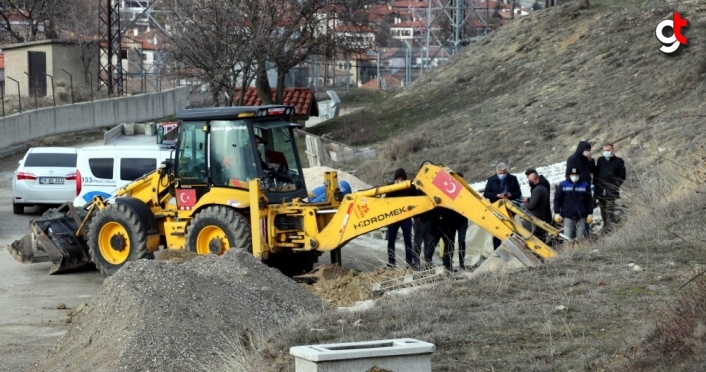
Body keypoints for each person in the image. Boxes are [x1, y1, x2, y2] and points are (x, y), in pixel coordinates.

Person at [483, 162, 522, 249]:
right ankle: (497, 250)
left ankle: (512, 249)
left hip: (509, 208)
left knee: (510, 229)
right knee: (498, 230)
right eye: (501, 173)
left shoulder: (513, 179)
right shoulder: (491, 180)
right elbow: (486, 194)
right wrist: (496, 195)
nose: (503, 175)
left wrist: (511, 195)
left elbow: (519, 193)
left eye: (504, 173)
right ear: (497, 172)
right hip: (496, 208)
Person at [385, 168, 415, 269]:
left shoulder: (409, 187)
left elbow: (415, 198)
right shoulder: (390, 187)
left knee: (408, 241)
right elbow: (386, 201)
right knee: (391, 241)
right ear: (395, 178)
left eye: (402, 178)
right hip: (394, 218)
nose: (400, 180)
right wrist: (395, 187)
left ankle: (409, 263)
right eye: (398, 178)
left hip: (406, 217)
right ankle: (391, 262)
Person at [594, 142, 626, 232]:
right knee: (603, 210)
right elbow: (596, 174)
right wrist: (596, 185)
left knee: (609, 210)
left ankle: (610, 228)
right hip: (600, 190)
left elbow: (622, 176)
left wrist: (615, 186)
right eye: (604, 150)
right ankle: (606, 227)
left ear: (612, 150)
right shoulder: (600, 160)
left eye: (608, 150)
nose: (606, 152)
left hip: (611, 191)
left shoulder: (619, 161)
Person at [554, 168, 593, 242]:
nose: (574, 176)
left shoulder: (585, 185)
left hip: (581, 215)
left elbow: (589, 200)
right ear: (569, 175)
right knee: (566, 238)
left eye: (576, 174)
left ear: (579, 175)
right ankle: (567, 253)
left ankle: (580, 252)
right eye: (572, 174)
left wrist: (590, 213)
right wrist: (557, 212)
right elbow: (557, 199)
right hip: (568, 215)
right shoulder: (563, 185)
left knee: (580, 239)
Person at [521, 169, 549, 240]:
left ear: (536, 179)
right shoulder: (543, 188)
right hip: (541, 219)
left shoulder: (537, 190)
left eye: (531, 181)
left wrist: (523, 206)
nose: (529, 182)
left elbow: (532, 205)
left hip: (534, 222)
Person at [454, 173, 470, 270]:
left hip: (463, 220)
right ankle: (448, 262)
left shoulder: (466, 190)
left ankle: (461, 262)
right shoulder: (450, 190)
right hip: (451, 220)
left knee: (461, 242)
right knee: (449, 242)